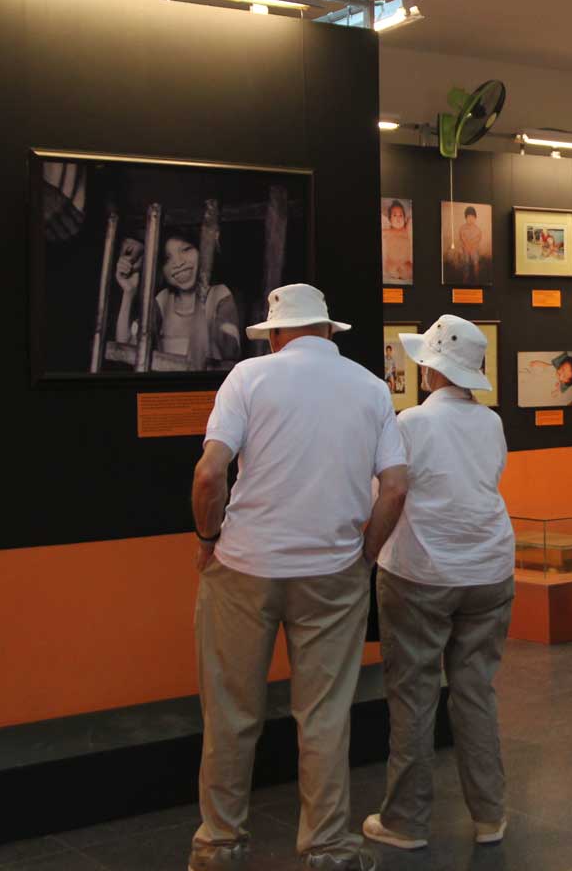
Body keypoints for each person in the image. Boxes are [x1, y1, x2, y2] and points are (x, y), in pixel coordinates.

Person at [189, 283, 407, 871]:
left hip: (243, 566)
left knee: (231, 713)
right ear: (329, 331)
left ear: (278, 334)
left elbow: (211, 475)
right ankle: (328, 848)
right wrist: (364, 553)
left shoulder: (248, 379)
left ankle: (219, 843)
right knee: (325, 716)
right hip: (331, 572)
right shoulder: (368, 387)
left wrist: (208, 541)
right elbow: (396, 487)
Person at [361, 315, 516, 853]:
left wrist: (367, 554)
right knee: (475, 691)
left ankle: (406, 820)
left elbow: (391, 492)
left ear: (430, 369)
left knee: (413, 696)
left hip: (420, 574)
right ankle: (490, 814)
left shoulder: (410, 425)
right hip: (490, 570)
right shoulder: (491, 423)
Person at [115, 227, 241, 370]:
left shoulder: (219, 294)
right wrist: (128, 292)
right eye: (168, 258)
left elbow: (230, 354)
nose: (178, 263)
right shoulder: (163, 300)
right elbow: (126, 347)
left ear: (202, 250)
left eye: (186, 249)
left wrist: (202, 303)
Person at [381, 200, 413, 284]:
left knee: (409, 269)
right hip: (392, 263)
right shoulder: (388, 231)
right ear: (389, 219)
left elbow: (410, 219)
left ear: (404, 218)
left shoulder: (406, 231)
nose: (398, 218)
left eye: (401, 215)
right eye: (394, 215)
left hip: (405, 263)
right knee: (390, 268)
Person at [458, 205, 484, 283]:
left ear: (475, 218)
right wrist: (467, 246)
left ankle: (477, 275)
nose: (470, 219)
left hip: (474, 249)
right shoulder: (462, 228)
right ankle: (465, 276)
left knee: (475, 261)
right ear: (465, 218)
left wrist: (472, 247)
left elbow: (478, 239)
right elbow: (462, 238)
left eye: (472, 217)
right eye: (468, 217)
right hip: (465, 248)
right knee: (466, 262)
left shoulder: (477, 229)